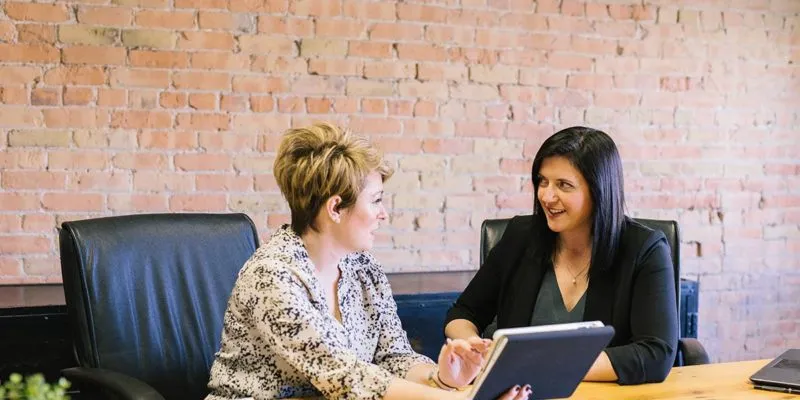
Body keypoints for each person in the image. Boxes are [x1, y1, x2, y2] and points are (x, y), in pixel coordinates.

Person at [206, 122, 531, 400]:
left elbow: (393, 357)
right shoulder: (272, 277)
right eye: (375, 200)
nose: (383, 213)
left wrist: (445, 380)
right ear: (335, 208)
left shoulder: (363, 268)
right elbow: (344, 376)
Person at [444, 126, 679, 385]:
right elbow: (463, 313)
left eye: (563, 185)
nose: (546, 196)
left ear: (599, 191)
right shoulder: (520, 237)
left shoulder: (644, 249)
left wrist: (541, 366)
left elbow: (656, 354)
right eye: (542, 181)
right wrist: (471, 345)